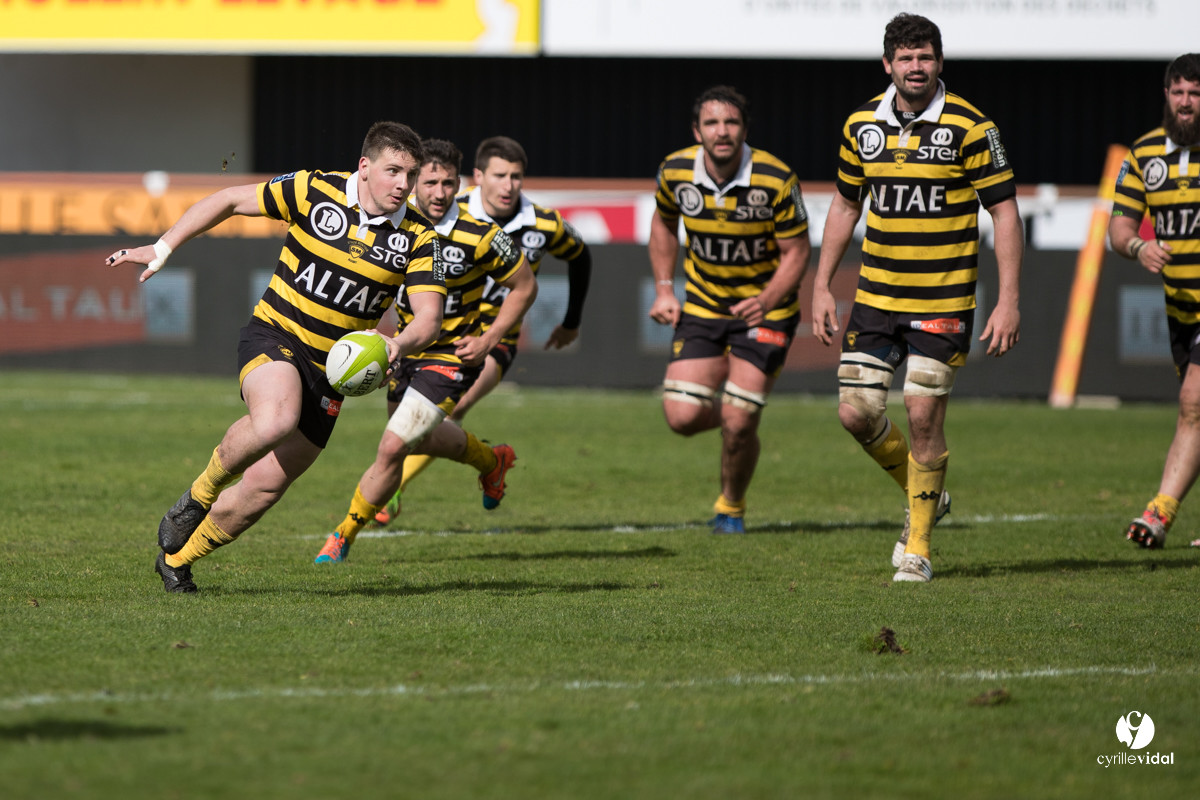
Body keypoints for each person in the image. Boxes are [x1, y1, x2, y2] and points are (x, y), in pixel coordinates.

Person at [107, 121, 446, 593]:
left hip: (333, 375)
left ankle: (178, 560)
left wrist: (399, 344)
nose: (403, 185)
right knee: (275, 420)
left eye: (411, 175)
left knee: (264, 490)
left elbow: (429, 318)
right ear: (365, 167)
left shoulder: (419, 236)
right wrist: (162, 248)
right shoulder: (314, 190)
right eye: (393, 171)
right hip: (275, 335)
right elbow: (227, 200)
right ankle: (198, 495)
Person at [811, 13, 1022, 582]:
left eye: (925, 56)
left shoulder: (973, 128)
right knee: (856, 414)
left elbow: (1003, 211)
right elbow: (846, 205)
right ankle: (926, 491)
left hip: (944, 296)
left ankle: (920, 546)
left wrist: (1008, 299)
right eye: (905, 58)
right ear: (888, 65)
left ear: (939, 61)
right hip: (877, 295)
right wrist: (822, 283)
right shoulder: (862, 126)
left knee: (923, 411)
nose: (915, 67)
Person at [314, 139, 537, 563]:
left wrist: (489, 340)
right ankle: (492, 460)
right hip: (404, 352)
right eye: (430, 182)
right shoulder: (394, 227)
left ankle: (343, 535)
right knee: (422, 440)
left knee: (393, 447)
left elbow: (526, 286)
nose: (439, 193)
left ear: (459, 185)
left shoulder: (482, 234)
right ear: (414, 182)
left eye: (448, 183)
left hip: (453, 356)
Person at [375, 135, 592, 520]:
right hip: (440, 338)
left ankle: (393, 484)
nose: (508, 186)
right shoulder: (442, 209)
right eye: (500, 176)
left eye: (517, 177)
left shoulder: (543, 223)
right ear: (478, 178)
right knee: (414, 422)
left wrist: (571, 320)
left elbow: (581, 256)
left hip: (495, 339)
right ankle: (491, 461)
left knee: (442, 411)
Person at [647, 85, 812, 534]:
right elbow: (663, 225)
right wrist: (665, 289)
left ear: (745, 129)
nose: (722, 132)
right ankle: (742, 405)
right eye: (713, 123)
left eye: (732, 122)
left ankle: (731, 506)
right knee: (681, 418)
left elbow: (797, 251)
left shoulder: (776, 178)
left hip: (766, 311)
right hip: (702, 304)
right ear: (696, 131)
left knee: (738, 424)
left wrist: (768, 300)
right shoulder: (675, 170)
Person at [1110, 53, 1200, 550]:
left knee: (1194, 403)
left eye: (1195, 93)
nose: (1186, 102)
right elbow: (1118, 229)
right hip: (1180, 308)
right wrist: (1140, 246)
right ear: (1166, 95)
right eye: (1179, 92)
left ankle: (1159, 512)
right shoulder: (1145, 153)